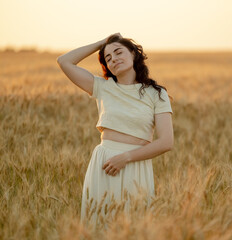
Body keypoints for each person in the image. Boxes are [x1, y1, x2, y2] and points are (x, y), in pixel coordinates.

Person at [56, 33, 174, 226]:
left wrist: (126, 157)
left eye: (118, 52)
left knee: (134, 227)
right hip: (104, 165)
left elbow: (166, 142)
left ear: (134, 54)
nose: (113, 59)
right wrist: (101, 43)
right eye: (108, 58)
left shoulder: (157, 94)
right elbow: (64, 61)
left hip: (135, 165)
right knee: (99, 226)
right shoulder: (102, 87)